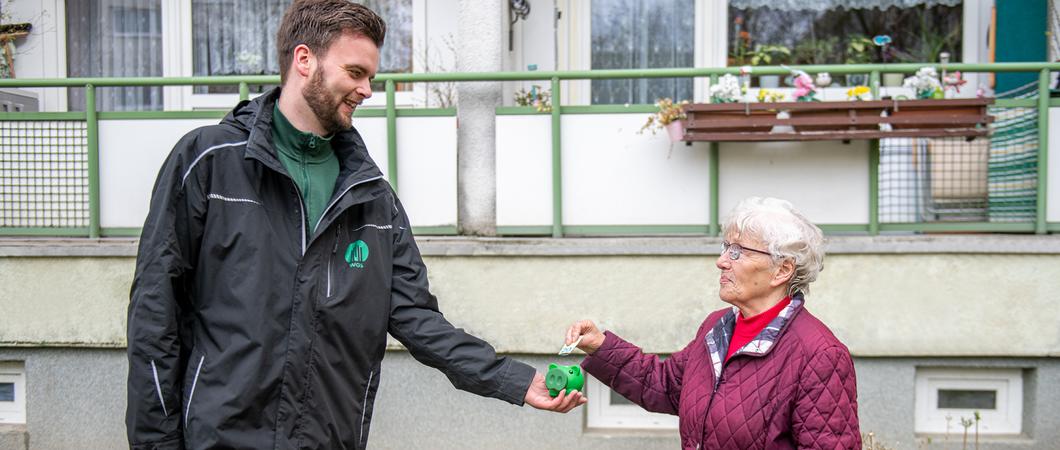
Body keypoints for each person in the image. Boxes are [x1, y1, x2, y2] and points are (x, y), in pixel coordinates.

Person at [125, 1, 583, 448]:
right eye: (356, 73)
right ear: (305, 60)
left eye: (371, 77)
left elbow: (416, 317)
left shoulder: (371, 196)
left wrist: (516, 381)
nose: (367, 90)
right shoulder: (208, 161)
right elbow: (155, 313)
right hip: (219, 436)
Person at [564, 197, 860, 449]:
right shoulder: (716, 327)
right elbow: (666, 385)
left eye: (738, 251)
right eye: (725, 247)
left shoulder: (820, 355)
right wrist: (601, 347)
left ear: (782, 270)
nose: (721, 261)